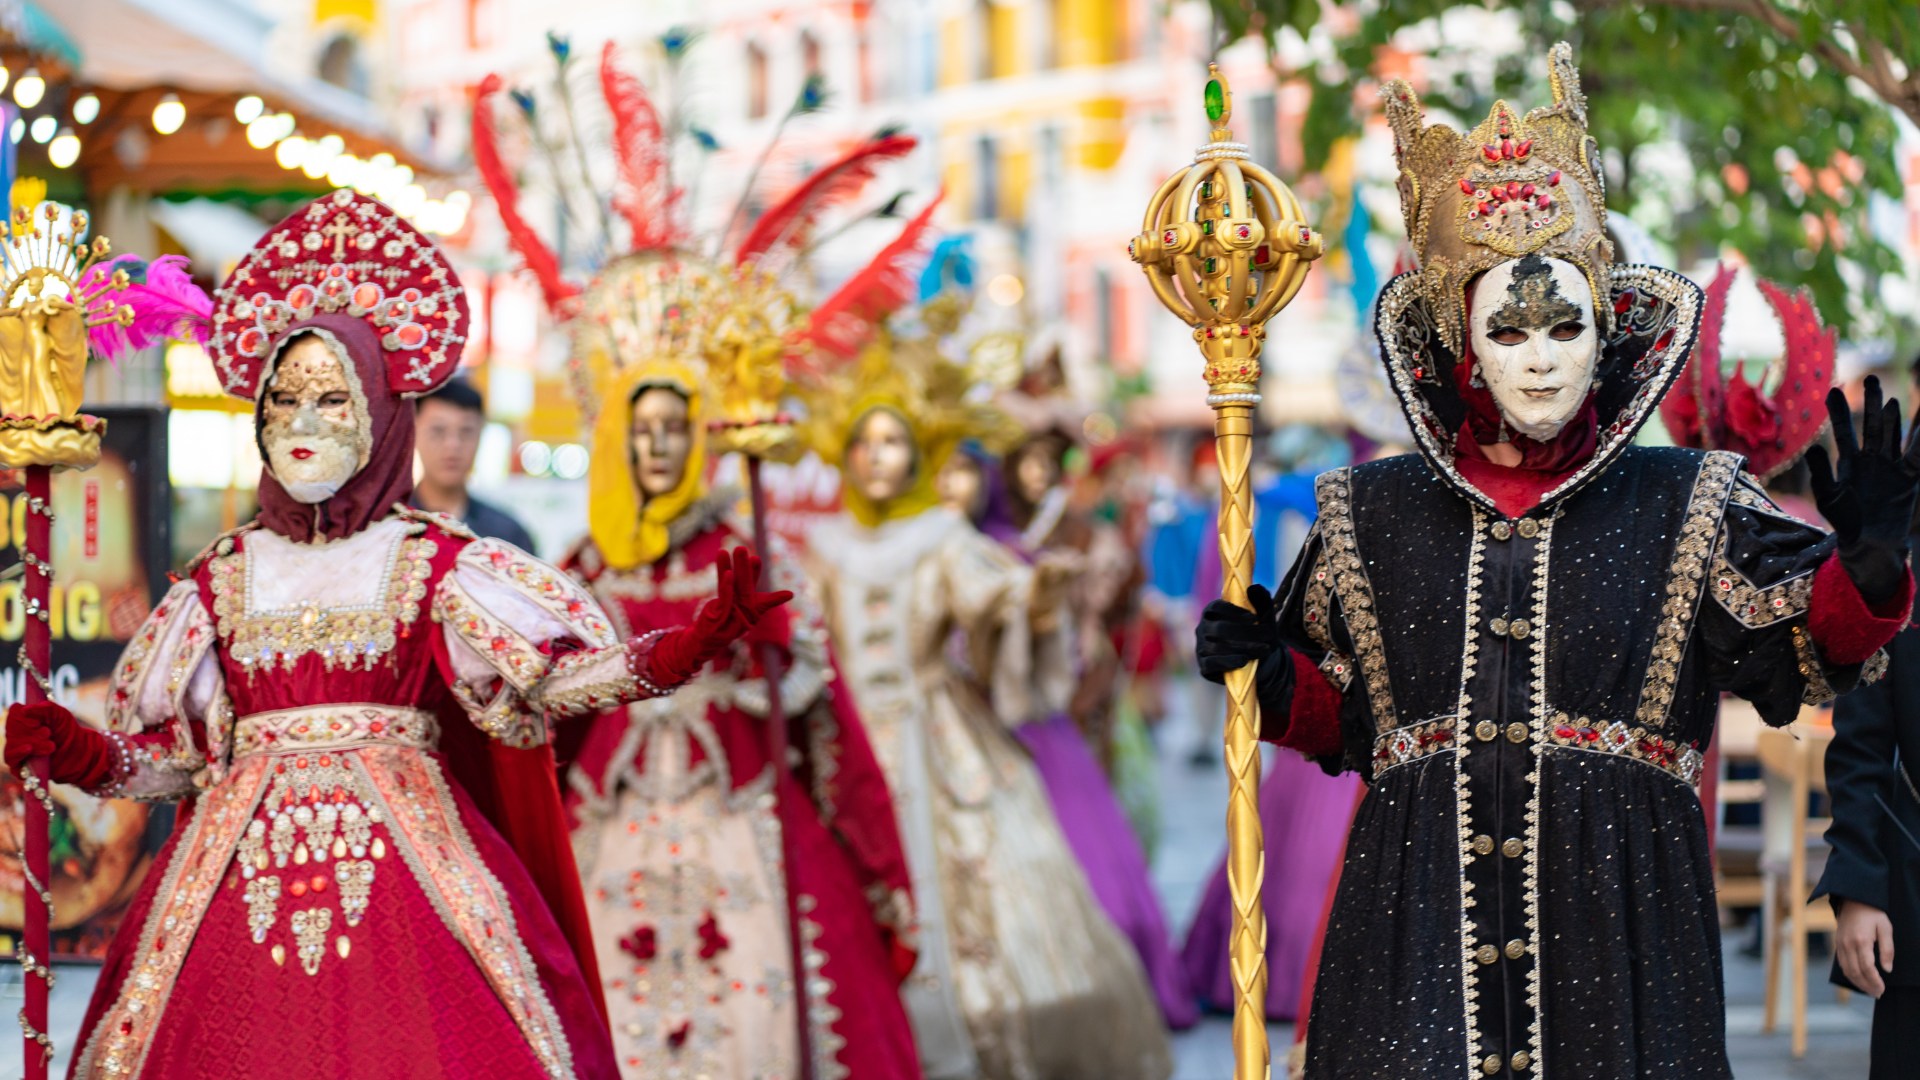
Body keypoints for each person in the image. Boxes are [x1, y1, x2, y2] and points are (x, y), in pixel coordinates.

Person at [1194, 44, 1920, 1077]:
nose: (1540, 355)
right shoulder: (1371, 510)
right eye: (1509, 327)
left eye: (1566, 324)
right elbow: (1344, 714)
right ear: (1460, 341)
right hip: (1412, 939)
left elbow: (1803, 642)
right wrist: (1262, 676)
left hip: (1623, 936)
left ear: (1606, 329)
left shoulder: (1689, 501)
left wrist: (1876, 570)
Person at [3, 190, 790, 1080]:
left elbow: (551, 681)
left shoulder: (434, 561)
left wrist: (682, 647)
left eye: (330, 400)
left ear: (382, 414)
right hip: (229, 888)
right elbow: (178, 761)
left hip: (413, 889)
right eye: (283, 399)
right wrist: (86, 756)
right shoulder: (220, 576)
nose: (299, 423)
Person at [554, 264, 920, 1080]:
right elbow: (551, 713)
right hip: (614, 816)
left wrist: (776, 672)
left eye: (674, 429)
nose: (656, 447)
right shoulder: (586, 566)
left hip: (740, 804)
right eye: (641, 431)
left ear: (700, 439)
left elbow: (819, 711)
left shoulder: (741, 554)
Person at [797, 308, 1173, 1080]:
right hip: (847, 746)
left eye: (894, 441)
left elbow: (994, 597)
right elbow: (805, 636)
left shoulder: (941, 538)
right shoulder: (823, 551)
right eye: (864, 443)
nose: (877, 458)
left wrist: (1034, 600)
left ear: (918, 452)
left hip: (939, 742)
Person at [411, 377, 537, 551]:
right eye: (438, 431)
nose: (452, 445)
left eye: (466, 431)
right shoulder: (392, 527)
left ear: (481, 434)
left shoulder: (507, 535)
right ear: (413, 432)